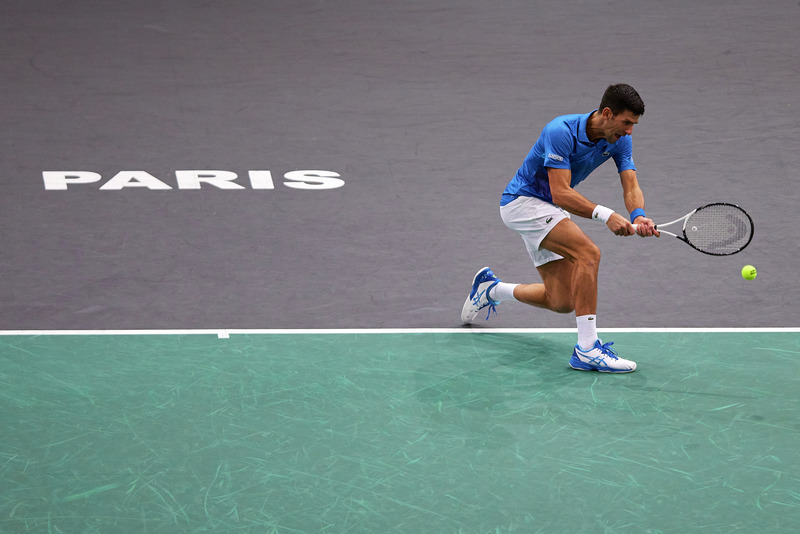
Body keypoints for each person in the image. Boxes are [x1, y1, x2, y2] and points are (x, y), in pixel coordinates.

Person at [461, 83, 659, 373]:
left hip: (547, 209)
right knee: (588, 254)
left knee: (562, 300)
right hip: (523, 203)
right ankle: (588, 349)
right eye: (626, 122)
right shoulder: (561, 131)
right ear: (607, 113)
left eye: (634, 124)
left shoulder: (620, 140)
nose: (629, 131)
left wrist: (638, 214)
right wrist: (607, 215)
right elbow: (560, 193)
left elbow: (631, 183)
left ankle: (491, 290)